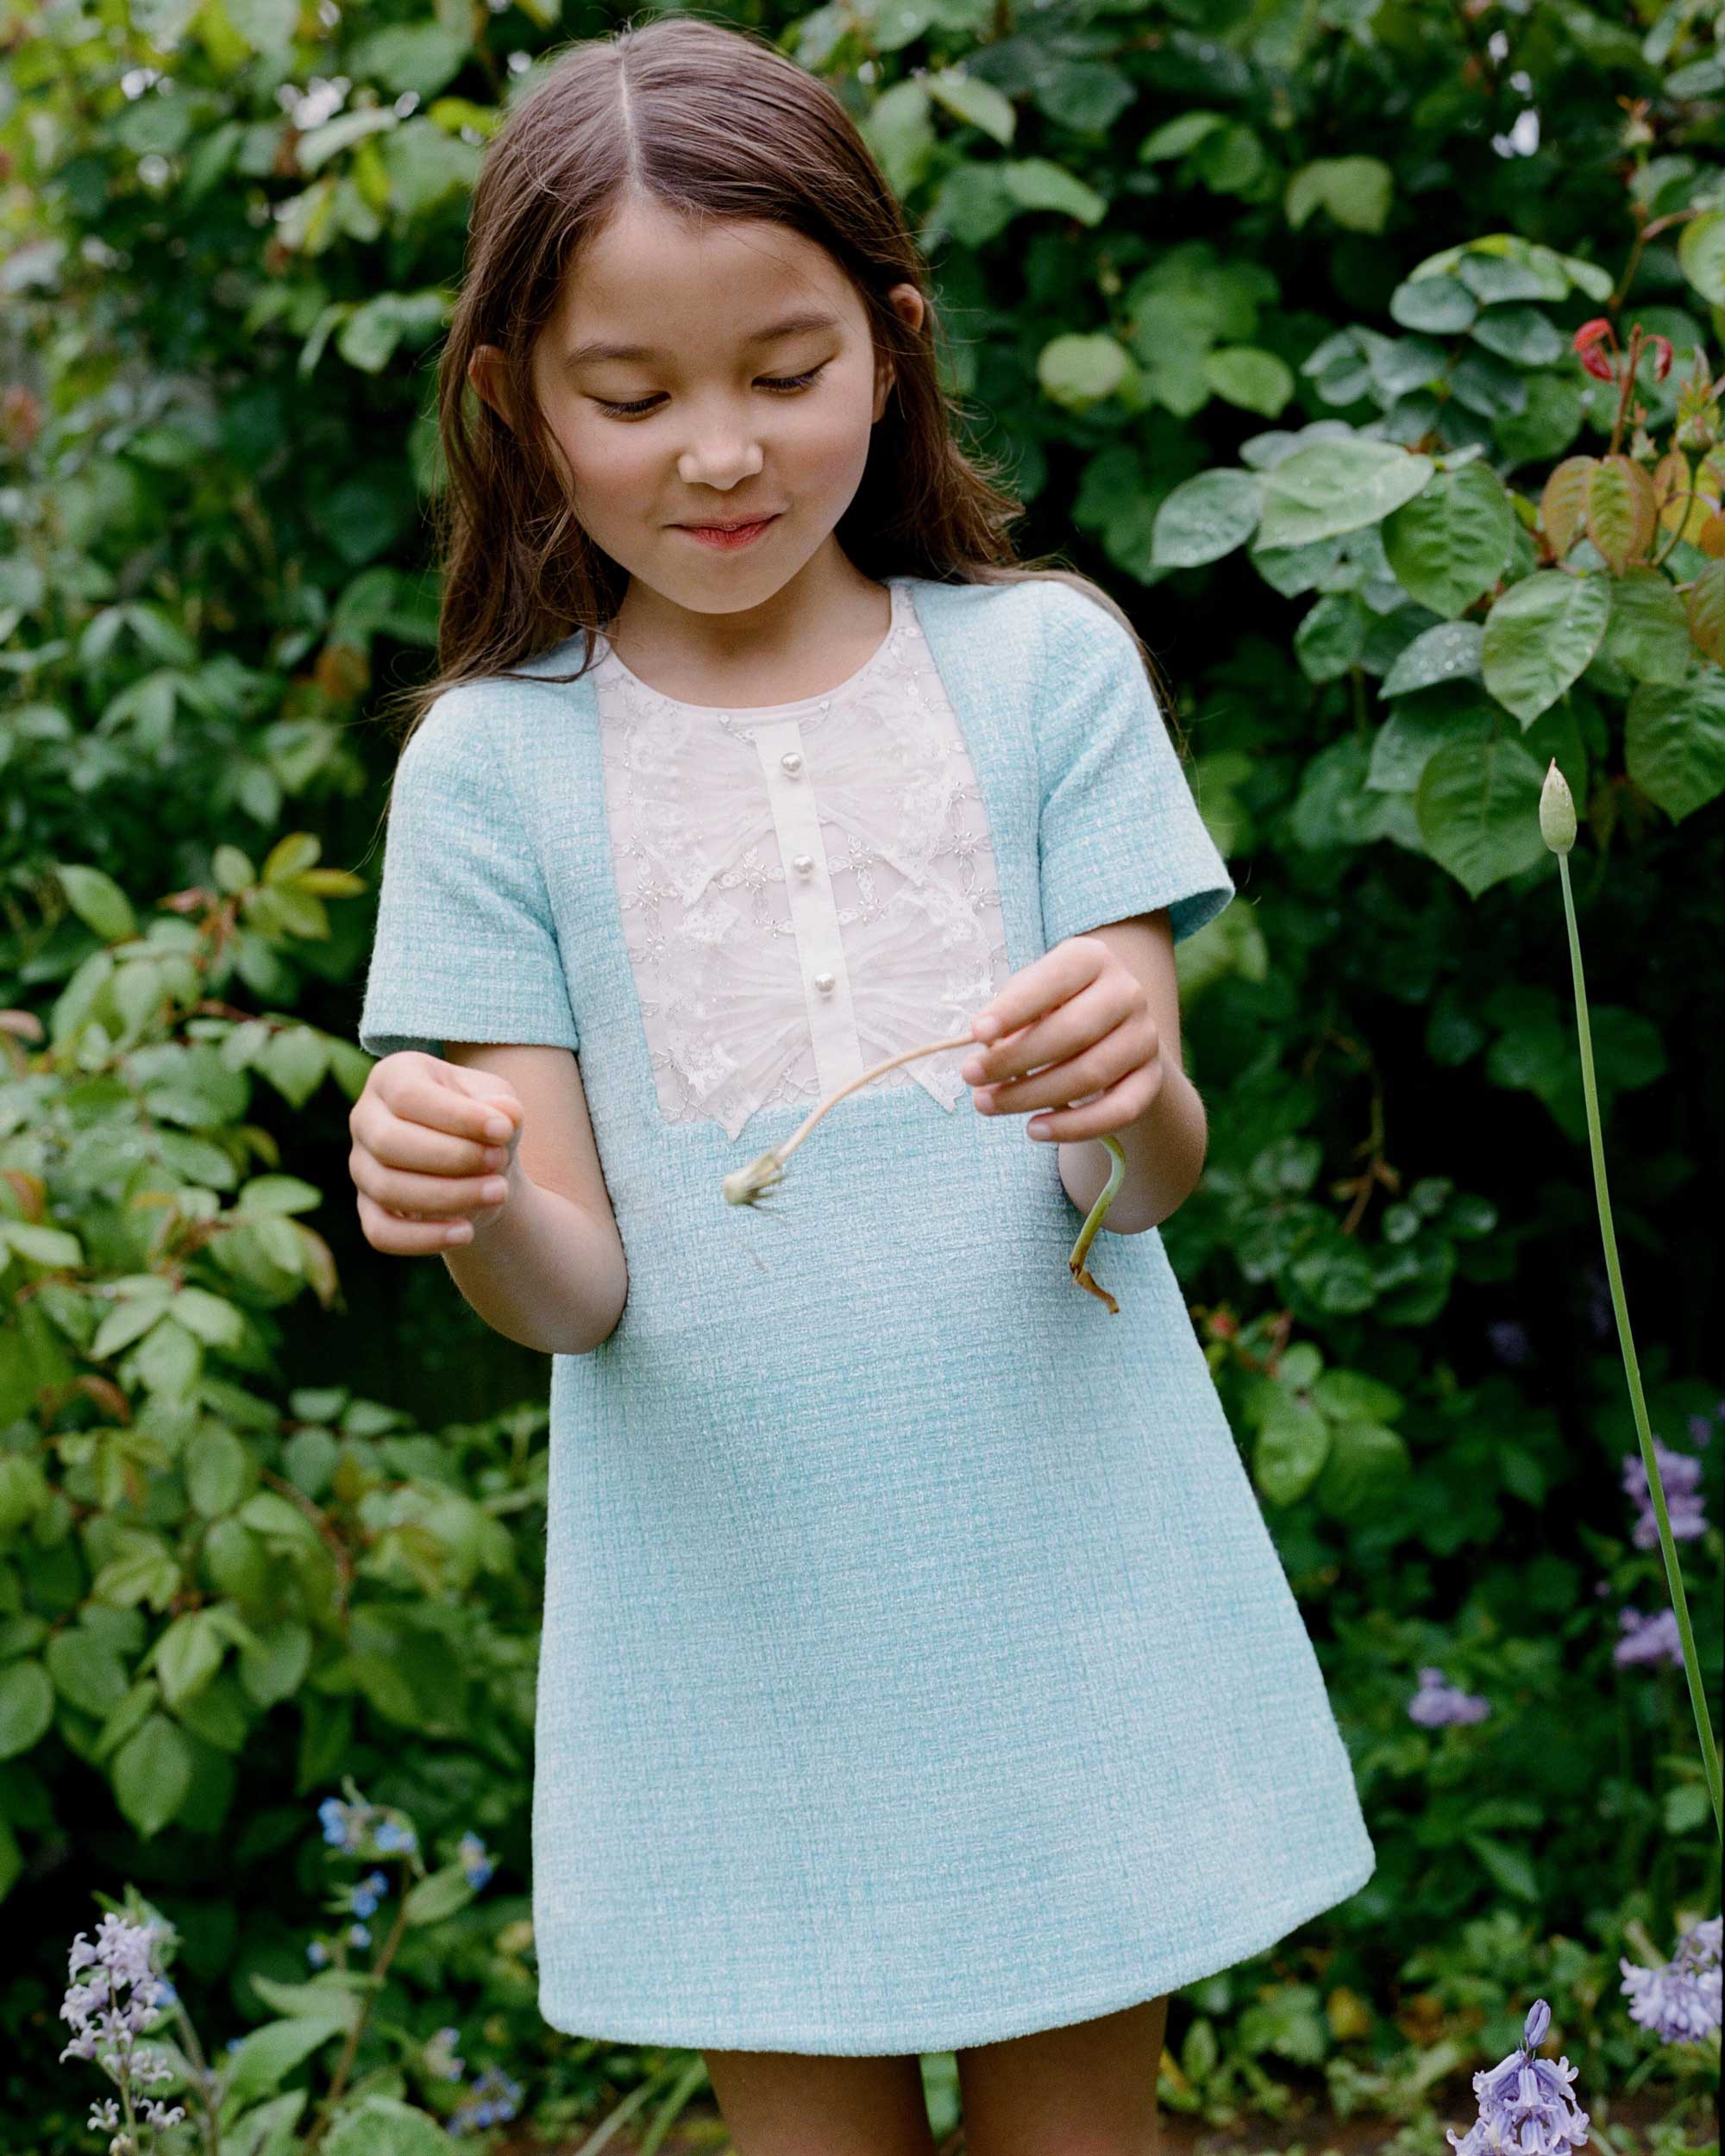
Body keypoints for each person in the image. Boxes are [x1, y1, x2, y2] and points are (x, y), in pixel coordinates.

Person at [348, 16, 1377, 2154]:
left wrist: (1125, 1086)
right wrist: (466, 1199)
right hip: (737, 1628)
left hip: (1065, 1574)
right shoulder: (488, 775)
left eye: (783, 371)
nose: (716, 452)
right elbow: (578, 1297)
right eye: (630, 399)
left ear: (891, 348)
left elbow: (1149, 1168)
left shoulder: (1042, 670)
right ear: (517, 406)